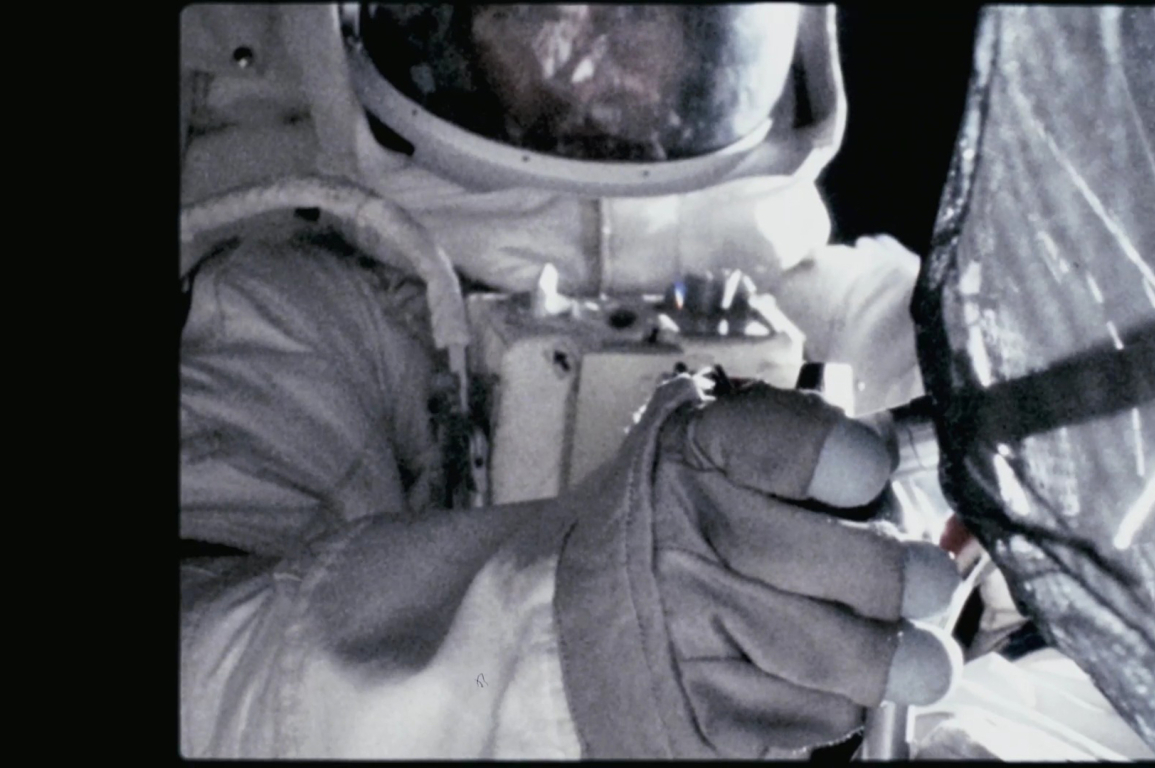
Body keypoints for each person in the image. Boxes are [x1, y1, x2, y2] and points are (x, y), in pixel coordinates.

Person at [179, 4, 964, 758]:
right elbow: (200, 671)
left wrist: (981, 729)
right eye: (531, 11)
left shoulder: (879, 325)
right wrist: (577, 651)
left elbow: (1021, 629)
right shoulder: (313, 322)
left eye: (646, 11)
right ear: (439, 35)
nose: (593, 56)